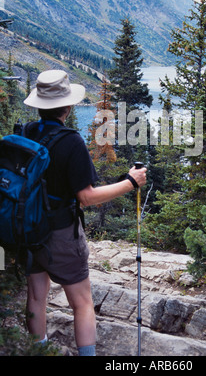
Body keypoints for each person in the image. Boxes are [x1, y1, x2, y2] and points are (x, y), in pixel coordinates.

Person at [23, 70, 147, 356]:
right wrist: (130, 182)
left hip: (27, 227)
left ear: (40, 105)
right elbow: (86, 197)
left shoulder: (27, 132)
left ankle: (36, 352)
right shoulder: (71, 141)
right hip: (61, 233)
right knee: (82, 302)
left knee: (36, 296)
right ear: (68, 107)